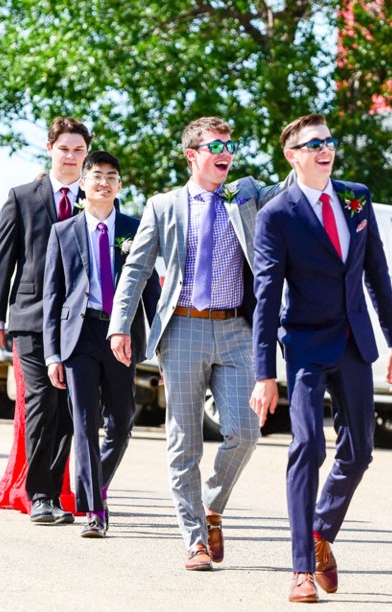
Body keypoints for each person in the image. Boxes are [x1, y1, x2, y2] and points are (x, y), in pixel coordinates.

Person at [107, 116, 284, 570]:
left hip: (236, 330)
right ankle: (194, 541)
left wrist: (304, 151)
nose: (225, 153)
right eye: (215, 147)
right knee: (184, 441)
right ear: (192, 155)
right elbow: (137, 269)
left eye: (230, 145)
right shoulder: (164, 205)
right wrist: (120, 325)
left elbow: (289, 188)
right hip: (182, 328)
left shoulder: (244, 193)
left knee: (246, 430)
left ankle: (211, 505)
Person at [249, 114, 392, 602]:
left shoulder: (357, 197)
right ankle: (299, 568)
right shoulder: (277, 214)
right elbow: (267, 296)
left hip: (355, 342)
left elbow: (376, 271)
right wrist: (264, 373)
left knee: (359, 451)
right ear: (292, 154)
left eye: (329, 140)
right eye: (312, 142)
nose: (325, 148)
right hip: (304, 348)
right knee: (309, 446)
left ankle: (320, 532)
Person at [43, 151, 160, 537]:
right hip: (78, 337)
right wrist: (52, 354)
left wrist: (160, 338)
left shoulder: (135, 228)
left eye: (112, 176)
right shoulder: (63, 231)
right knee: (84, 422)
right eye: (96, 176)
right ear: (84, 183)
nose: (104, 183)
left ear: (120, 185)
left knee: (122, 422)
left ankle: (90, 484)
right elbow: (53, 297)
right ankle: (95, 510)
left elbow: (150, 288)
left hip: (120, 334)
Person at [0, 116, 92, 524]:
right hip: (30, 319)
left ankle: (59, 492)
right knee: (42, 402)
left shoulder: (95, 199)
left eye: (78, 150)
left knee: (68, 409)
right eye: (64, 148)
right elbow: (3, 261)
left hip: (79, 322)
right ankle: (40, 493)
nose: (71, 156)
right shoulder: (23, 197)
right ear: (50, 149)